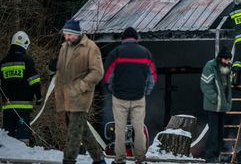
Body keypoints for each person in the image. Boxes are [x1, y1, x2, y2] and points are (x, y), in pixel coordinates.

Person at [54, 20, 105, 164]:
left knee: (74, 130)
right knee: (81, 129)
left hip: (81, 95)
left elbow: (98, 71)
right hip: (66, 95)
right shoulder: (64, 48)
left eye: (70, 35)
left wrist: (83, 85)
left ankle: (69, 159)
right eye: (65, 35)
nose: (67, 38)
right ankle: (99, 158)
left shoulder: (90, 47)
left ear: (77, 34)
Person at [104, 27, 156, 164]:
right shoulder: (146, 53)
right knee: (139, 128)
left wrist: (112, 90)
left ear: (123, 38)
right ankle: (140, 158)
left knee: (120, 129)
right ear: (136, 38)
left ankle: (120, 159)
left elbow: (108, 75)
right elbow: (152, 76)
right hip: (139, 97)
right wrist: (146, 91)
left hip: (120, 97)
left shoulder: (116, 53)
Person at [0, 31, 42, 144]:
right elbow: (34, 81)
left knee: (7, 136)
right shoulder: (27, 61)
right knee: (23, 136)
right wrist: (39, 97)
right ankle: (22, 155)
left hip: (7, 107)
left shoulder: (3, 62)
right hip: (23, 107)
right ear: (24, 44)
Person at [200, 46, 232, 162]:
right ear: (220, 58)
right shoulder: (210, 66)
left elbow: (227, 87)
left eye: (229, 60)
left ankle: (216, 155)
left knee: (220, 133)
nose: (227, 62)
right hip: (212, 106)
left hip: (222, 107)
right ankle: (209, 156)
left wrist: (227, 103)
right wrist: (216, 99)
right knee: (213, 133)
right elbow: (205, 86)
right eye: (226, 59)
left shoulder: (227, 68)